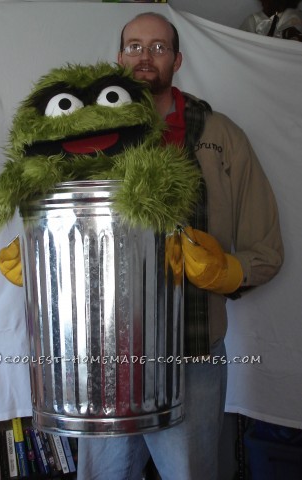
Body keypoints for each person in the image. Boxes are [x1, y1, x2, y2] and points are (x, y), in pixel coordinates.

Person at [77, 12, 284, 480]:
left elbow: (266, 248)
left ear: (177, 59)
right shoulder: (81, 138)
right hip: (107, 354)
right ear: (119, 57)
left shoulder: (221, 136)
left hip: (193, 353)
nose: (145, 57)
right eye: (134, 46)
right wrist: (34, 258)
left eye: (158, 47)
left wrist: (227, 271)